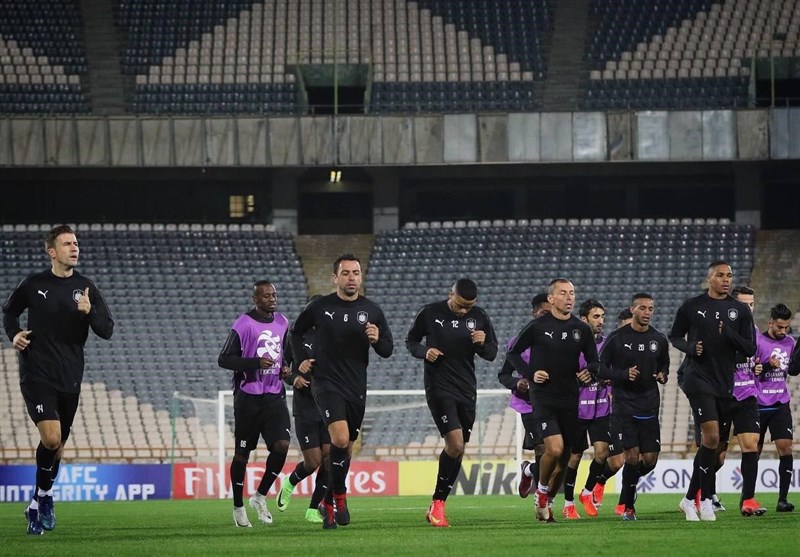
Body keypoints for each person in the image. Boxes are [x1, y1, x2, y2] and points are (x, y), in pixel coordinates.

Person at [2, 225, 114, 535]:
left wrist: (90, 312)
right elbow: (9, 312)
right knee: (51, 438)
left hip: (71, 376)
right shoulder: (33, 284)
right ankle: (46, 496)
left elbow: (107, 329)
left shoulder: (86, 287)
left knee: (58, 446)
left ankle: (37, 502)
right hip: (37, 373)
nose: (74, 248)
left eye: (76, 243)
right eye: (67, 244)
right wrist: (14, 334)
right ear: (52, 251)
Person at [289, 254, 393, 530]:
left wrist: (377, 339)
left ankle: (327, 503)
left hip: (355, 387)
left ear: (361, 276)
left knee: (345, 449)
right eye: (345, 273)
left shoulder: (372, 310)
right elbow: (295, 332)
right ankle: (339, 496)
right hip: (326, 384)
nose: (351, 277)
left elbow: (387, 349)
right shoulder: (320, 307)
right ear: (335, 278)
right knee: (340, 438)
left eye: (355, 273)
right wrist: (301, 359)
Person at [407, 278, 498, 527]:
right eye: (460, 305)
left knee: (459, 449)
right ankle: (438, 503)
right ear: (451, 294)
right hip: (439, 387)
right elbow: (411, 341)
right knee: (455, 443)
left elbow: (492, 354)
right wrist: (424, 352)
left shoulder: (480, 317)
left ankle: (438, 504)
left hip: (466, 389)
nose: (463, 311)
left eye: (469, 306)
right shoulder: (430, 312)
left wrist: (482, 344)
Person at [507, 278, 600, 522]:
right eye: (563, 293)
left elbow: (594, 361)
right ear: (551, 298)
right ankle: (541, 492)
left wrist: (590, 371)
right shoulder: (537, 326)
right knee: (555, 448)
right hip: (543, 396)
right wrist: (530, 374)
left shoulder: (581, 330)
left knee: (565, 458)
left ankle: (547, 502)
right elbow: (513, 353)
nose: (569, 297)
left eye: (572, 293)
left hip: (570, 396)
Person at [669, 261, 756, 522]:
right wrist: (690, 347)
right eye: (720, 275)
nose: (726, 279)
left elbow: (750, 348)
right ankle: (705, 500)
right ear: (710, 278)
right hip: (697, 379)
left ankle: (690, 499)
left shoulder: (740, 310)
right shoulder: (691, 306)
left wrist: (729, 333)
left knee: (715, 448)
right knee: (711, 437)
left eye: (729, 275)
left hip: (724, 383)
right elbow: (675, 336)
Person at [218, 281, 291, 527]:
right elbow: (224, 359)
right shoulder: (243, 323)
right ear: (255, 299)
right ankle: (238, 507)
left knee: (282, 446)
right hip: (248, 398)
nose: (272, 299)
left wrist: (286, 368)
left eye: (274, 295)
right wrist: (254, 363)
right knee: (242, 455)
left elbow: (285, 354)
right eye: (267, 295)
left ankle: (260, 496)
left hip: (275, 396)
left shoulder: (282, 322)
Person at [598, 293, 670, 521]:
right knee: (631, 457)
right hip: (625, 406)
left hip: (649, 406)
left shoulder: (658, 339)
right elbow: (599, 368)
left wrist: (663, 374)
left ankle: (628, 487)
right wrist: (622, 374)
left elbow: (665, 365)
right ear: (633, 310)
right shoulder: (617, 338)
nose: (647, 312)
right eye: (643, 308)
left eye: (650, 308)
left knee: (649, 460)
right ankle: (628, 507)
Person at [276, 295, 330, 524]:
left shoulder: (333, 336)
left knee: (329, 460)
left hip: (329, 405)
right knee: (313, 462)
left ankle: (313, 509)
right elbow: (283, 368)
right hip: (306, 408)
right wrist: (295, 379)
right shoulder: (296, 337)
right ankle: (290, 482)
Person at [498, 293, 551, 498]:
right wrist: (517, 383)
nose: (548, 317)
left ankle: (528, 470)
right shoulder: (518, 342)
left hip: (557, 401)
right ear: (534, 313)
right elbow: (504, 374)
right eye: (544, 312)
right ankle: (542, 500)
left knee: (558, 454)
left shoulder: (562, 338)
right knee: (542, 450)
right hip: (530, 404)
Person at [564, 299, 609, 519]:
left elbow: (613, 370)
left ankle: (587, 492)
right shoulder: (571, 344)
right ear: (584, 319)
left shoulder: (609, 344)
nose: (601, 321)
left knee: (603, 453)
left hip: (601, 406)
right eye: (596, 316)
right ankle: (568, 503)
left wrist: (609, 377)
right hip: (577, 409)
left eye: (602, 317)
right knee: (574, 457)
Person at [726, 286, 767, 516]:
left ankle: (748, 500)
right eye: (744, 305)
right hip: (723, 395)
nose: (748, 309)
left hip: (748, 394)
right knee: (714, 453)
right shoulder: (721, 328)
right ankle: (696, 495)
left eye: (751, 304)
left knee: (751, 445)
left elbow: (755, 360)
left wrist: (758, 367)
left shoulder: (754, 330)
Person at [754, 303, 797, 512]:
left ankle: (782, 500)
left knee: (786, 448)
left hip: (780, 402)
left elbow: (793, 369)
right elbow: (750, 371)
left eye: (786, 327)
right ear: (770, 322)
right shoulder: (758, 341)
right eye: (779, 327)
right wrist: (767, 365)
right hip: (758, 403)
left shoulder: (790, 342)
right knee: (753, 451)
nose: (783, 331)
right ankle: (748, 498)